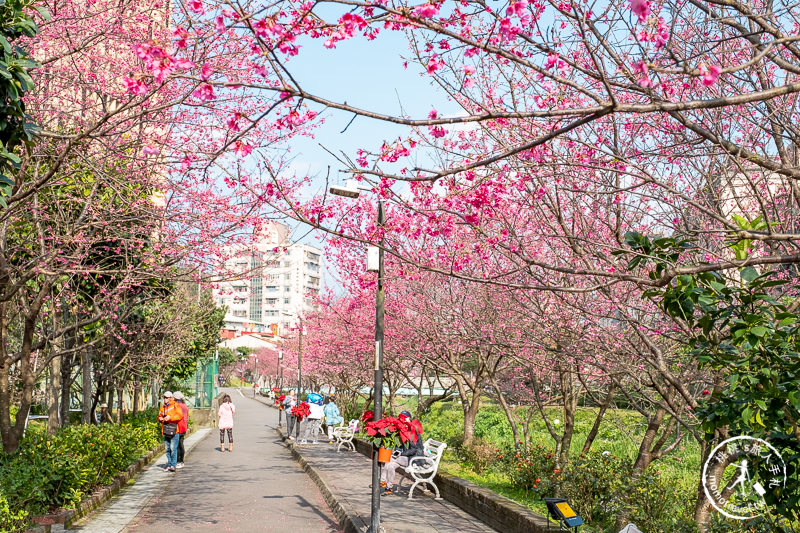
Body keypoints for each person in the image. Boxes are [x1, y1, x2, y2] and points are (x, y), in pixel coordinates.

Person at [381, 411, 423, 496]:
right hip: (404, 458)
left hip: (414, 459)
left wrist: (401, 454)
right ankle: (389, 487)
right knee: (391, 465)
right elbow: (399, 446)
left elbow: (414, 450)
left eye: (405, 418)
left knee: (389, 459)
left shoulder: (414, 432)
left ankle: (382, 480)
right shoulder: (402, 431)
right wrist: (397, 451)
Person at [158, 391, 184, 472]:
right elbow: (159, 416)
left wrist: (170, 418)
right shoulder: (163, 407)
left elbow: (179, 416)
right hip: (166, 429)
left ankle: (173, 465)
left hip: (174, 430)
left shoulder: (175, 405)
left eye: (166, 397)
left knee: (173, 449)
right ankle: (169, 465)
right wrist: (161, 419)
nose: (165, 399)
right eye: (164, 397)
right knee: (167, 449)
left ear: (170, 398)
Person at [174, 391, 190, 468]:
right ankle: (181, 461)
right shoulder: (185, 406)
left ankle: (178, 461)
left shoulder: (177, 406)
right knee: (181, 444)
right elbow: (187, 418)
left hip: (177, 427)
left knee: (177, 445)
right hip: (183, 427)